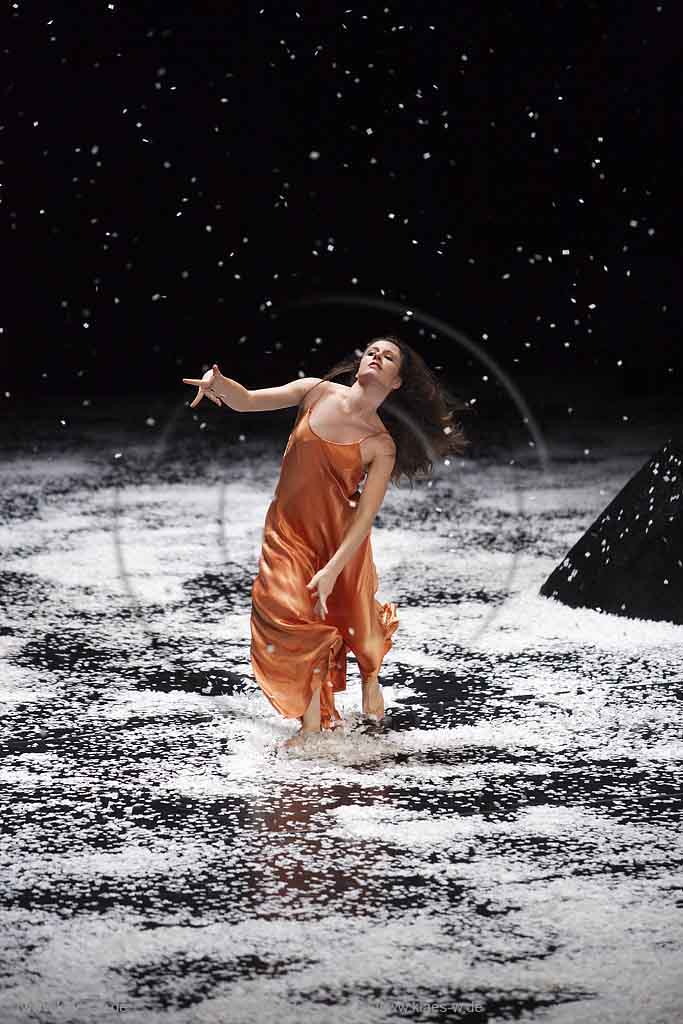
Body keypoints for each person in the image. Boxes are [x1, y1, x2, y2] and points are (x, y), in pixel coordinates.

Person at [182, 335, 470, 750]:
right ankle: (312, 724)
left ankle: (370, 675)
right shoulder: (314, 392)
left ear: (395, 383)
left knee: (358, 622)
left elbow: (366, 516)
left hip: (339, 539)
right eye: (372, 351)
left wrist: (333, 568)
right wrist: (220, 385)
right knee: (290, 616)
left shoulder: (380, 443)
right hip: (287, 531)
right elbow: (246, 400)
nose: (376, 357)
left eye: (388, 357)